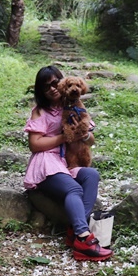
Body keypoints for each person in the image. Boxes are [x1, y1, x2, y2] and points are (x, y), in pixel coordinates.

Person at [23, 65, 112, 261]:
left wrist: (85, 134)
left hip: (65, 161)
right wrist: (63, 138)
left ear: (62, 83)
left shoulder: (73, 105)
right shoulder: (39, 112)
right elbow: (35, 145)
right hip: (46, 162)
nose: (53, 88)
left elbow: (91, 140)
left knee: (91, 175)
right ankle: (83, 238)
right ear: (41, 91)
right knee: (74, 190)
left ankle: (74, 230)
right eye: (47, 87)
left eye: (56, 83)